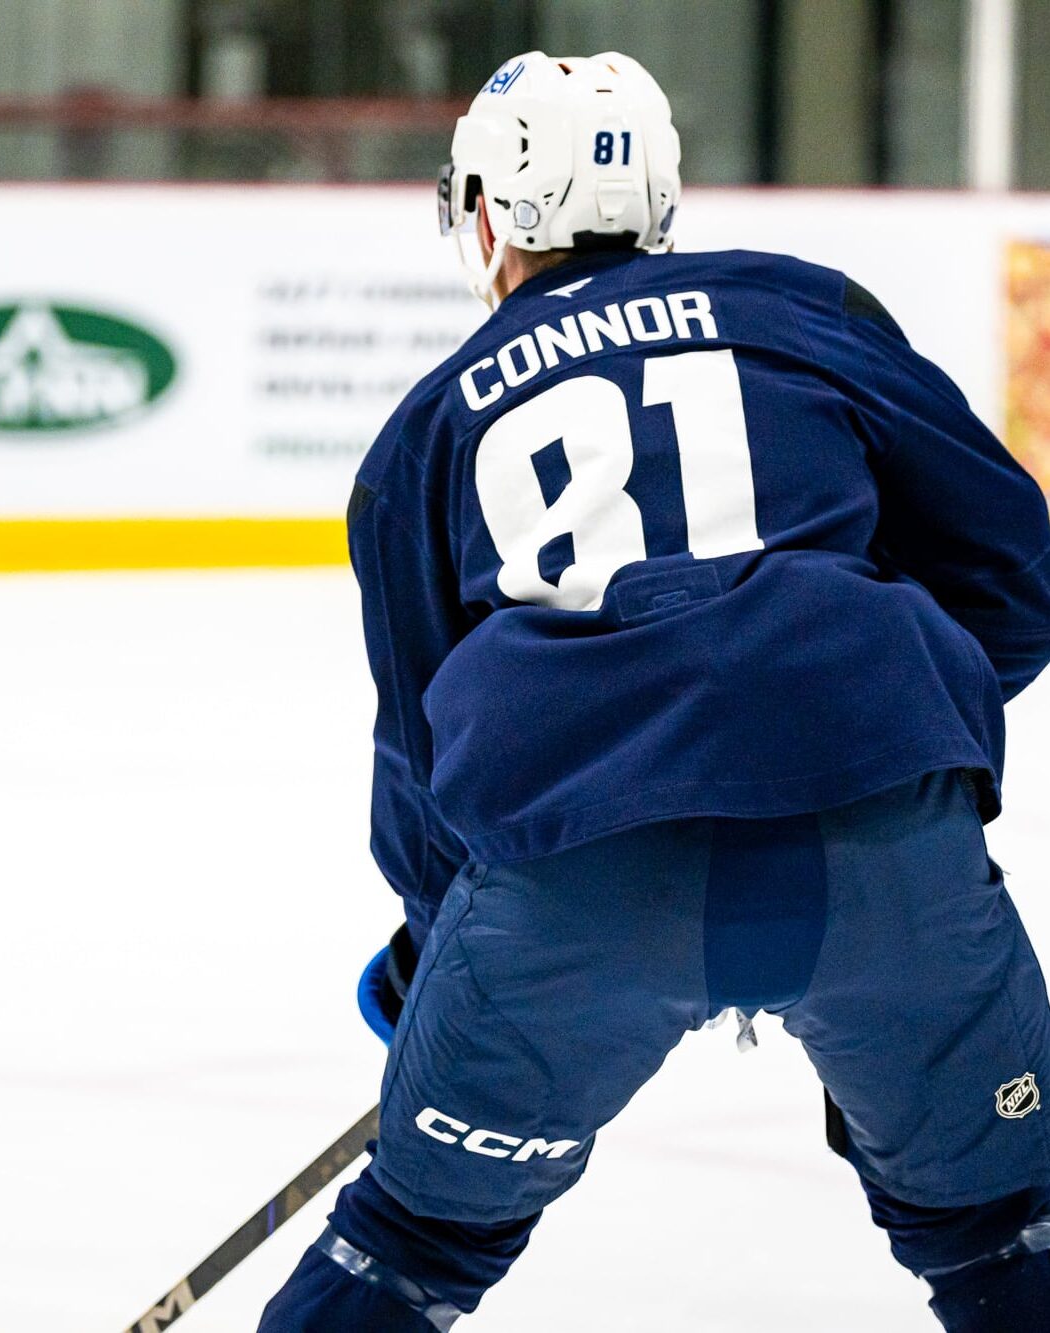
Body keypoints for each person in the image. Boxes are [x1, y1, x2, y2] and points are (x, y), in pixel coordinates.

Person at [259, 51, 1050, 1331]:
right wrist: (904, 731)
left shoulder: (427, 429)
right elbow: (1012, 564)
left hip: (579, 882)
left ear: (488, 214)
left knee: (406, 1249)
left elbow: (419, 754)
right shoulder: (805, 309)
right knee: (1010, 1238)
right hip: (880, 833)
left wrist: (431, 949)